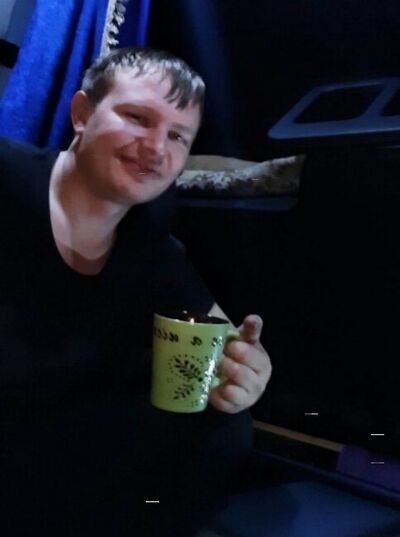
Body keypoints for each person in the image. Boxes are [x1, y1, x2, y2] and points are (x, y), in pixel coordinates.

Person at [0, 47, 271, 537]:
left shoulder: (152, 248)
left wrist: (249, 370)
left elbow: (225, 338)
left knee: (219, 420)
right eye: (137, 118)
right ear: (81, 114)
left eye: (177, 136)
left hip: (60, 455)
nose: (156, 148)